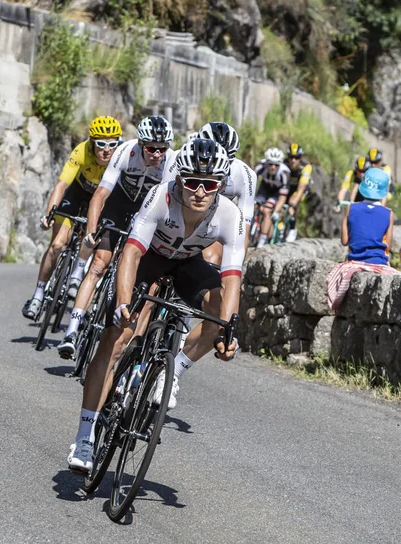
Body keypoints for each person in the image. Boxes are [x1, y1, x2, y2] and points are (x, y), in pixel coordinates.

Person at [67, 138, 245, 472]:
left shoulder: (229, 214)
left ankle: (170, 371)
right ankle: (84, 436)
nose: (200, 192)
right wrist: (123, 303)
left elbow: (232, 275)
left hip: (188, 263)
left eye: (210, 185)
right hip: (150, 258)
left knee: (219, 315)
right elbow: (132, 252)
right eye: (192, 182)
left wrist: (228, 329)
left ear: (220, 186)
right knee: (116, 340)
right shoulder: (161, 197)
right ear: (179, 180)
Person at [57, 116, 177, 358]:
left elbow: (166, 204)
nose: (157, 154)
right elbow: (100, 195)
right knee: (100, 263)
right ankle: (71, 331)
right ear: (141, 145)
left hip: (146, 212)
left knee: (134, 268)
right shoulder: (125, 151)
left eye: (162, 148)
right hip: (118, 205)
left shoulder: (171, 162)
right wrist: (91, 232)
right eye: (151, 148)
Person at [22, 116, 122, 319]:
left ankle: (77, 272)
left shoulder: (120, 157)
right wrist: (50, 213)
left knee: (91, 234)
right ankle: (38, 294)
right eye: (101, 144)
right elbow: (61, 185)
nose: (106, 150)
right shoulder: (81, 151)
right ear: (92, 142)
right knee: (58, 245)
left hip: (100, 199)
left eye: (112, 144)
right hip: (76, 194)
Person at [328, 167, 397, 309]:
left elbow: (344, 241)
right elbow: (388, 246)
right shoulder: (388, 214)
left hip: (355, 259)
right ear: (383, 192)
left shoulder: (351, 208)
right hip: (379, 261)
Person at [197, 121, 257, 262]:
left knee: (210, 258)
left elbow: (243, 230)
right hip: (183, 218)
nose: (219, 166)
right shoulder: (179, 160)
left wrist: (235, 271)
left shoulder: (245, 175)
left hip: (216, 220)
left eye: (226, 161)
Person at [253, 147, 290, 247]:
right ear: (266, 163)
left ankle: (262, 240)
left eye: (276, 165)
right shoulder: (260, 166)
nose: (273, 167)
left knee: (267, 211)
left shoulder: (284, 173)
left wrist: (275, 211)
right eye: (270, 164)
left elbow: (282, 197)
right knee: (254, 206)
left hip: (277, 192)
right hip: (264, 187)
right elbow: (249, 182)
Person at [284, 143, 312, 242]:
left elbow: (300, 190)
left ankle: (292, 228)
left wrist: (292, 205)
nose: (293, 160)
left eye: (297, 157)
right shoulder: (283, 164)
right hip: (287, 186)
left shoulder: (306, 167)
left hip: (301, 187)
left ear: (300, 158)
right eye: (291, 157)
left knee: (293, 202)